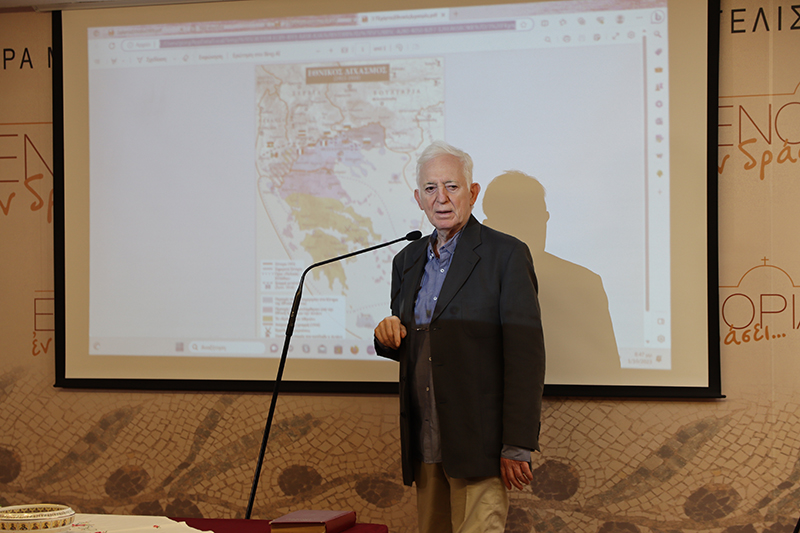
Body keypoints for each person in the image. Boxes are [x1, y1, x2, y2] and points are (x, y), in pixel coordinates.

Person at [374, 141, 546, 533]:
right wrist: (387, 338)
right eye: (430, 188)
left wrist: (517, 444)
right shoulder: (407, 260)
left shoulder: (506, 255)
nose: (442, 198)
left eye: (451, 186)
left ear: (472, 192)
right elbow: (421, 346)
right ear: (418, 198)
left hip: (480, 442)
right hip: (426, 440)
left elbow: (526, 356)